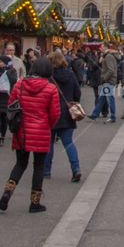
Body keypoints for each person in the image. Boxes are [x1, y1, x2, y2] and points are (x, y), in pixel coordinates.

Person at [0, 55, 60, 214]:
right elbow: (55, 114)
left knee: (20, 164)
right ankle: (34, 203)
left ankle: (7, 192)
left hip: (22, 130)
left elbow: (11, 105)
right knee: (38, 166)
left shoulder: (20, 84)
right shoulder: (51, 88)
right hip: (41, 131)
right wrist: (48, 126)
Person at [45, 49, 82, 182]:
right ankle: (76, 169)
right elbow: (78, 93)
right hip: (67, 113)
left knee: (49, 143)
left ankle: (46, 171)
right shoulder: (71, 75)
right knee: (68, 142)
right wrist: (73, 101)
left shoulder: (48, 77)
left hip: (51, 112)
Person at [90, 47, 118, 121]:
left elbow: (111, 70)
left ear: (106, 48)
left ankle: (113, 116)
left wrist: (104, 78)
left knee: (110, 99)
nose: (100, 49)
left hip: (108, 81)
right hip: (108, 81)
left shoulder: (108, 56)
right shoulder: (107, 56)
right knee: (101, 99)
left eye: (101, 47)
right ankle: (94, 114)